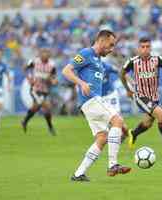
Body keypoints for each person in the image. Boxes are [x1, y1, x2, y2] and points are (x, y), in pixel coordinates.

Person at [62, 30, 131, 182]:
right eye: (111, 45)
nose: (112, 48)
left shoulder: (99, 60)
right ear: (102, 40)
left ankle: (79, 174)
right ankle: (113, 164)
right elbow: (66, 71)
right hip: (91, 99)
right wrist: (81, 83)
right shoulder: (86, 53)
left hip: (90, 103)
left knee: (102, 138)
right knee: (118, 121)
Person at [120, 37, 162, 156]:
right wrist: (128, 89)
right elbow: (122, 73)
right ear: (138, 48)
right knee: (161, 115)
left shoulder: (157, 59)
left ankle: (134, 133)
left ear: (151, 48)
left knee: (147, 123)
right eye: (142, 47)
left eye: (147, 47)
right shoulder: (132, 61)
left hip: (154, 97)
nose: (145, 49)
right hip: (141, 97)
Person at [21, 48, 58, 135]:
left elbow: (54, 78)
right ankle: (50, 128)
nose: (44, 55)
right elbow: (24, 68)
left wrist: (53, 81)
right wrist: (29, 78)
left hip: (45, 90)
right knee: (47, 107)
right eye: (43, 53)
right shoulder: (34, 61)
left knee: (36, 107)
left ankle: (24, 121)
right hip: (35, 89)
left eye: (46, 53)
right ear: (40, 54)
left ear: (49, 55)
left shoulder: (52, 65)